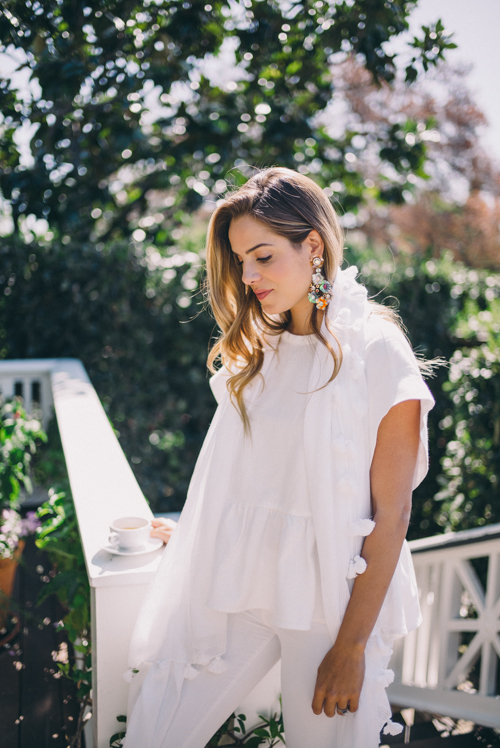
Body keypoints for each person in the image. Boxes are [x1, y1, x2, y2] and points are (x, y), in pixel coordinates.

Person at [122, 167, 435, 748]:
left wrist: (350, 646)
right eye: (241, 261)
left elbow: (392, 516)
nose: (248, 276)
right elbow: (243, 472)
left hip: (326, 607)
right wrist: (194, 529)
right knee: (156, 732)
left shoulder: (376, 349)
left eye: (263, 256)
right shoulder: (260, 347)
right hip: (241, 580)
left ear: (311, 245)